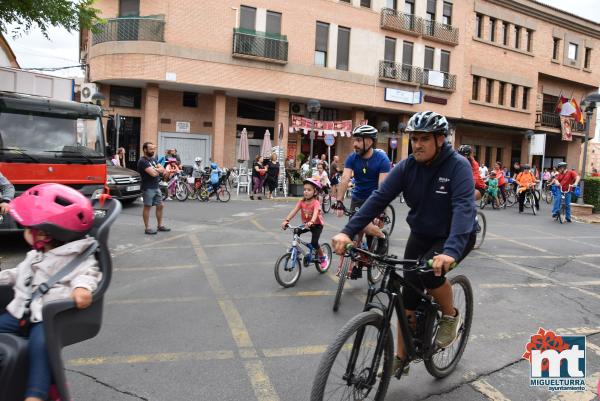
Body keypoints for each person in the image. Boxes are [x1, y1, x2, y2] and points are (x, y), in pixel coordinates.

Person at [332, 111, 476, 377]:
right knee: (406, 294)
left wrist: (451, 252)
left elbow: (464, 209)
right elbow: (378, 198)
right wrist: (348, 231)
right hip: (422, 233)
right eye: (414, 139)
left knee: (429, 274)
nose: (417, 144)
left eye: (424, 139)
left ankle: (450, 315)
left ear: (440, 140)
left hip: (455, 235)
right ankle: (402, 356)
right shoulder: (407, 166)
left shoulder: (458, 166)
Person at [0, 183, 101, 401]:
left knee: (41, 348)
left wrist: (82, 288)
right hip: (20, 312)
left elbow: (88, 273)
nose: (24, 231)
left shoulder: (75, 255)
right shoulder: (37, 254)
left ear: (44, 234)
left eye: (28, 228)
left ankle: (35, 395)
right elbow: (18, 274)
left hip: (45, 318)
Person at [334, 124, 390, 277]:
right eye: (354, 140)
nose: (354, 144)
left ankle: (382, 237)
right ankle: (357, 263)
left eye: (358, 140)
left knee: (368, 229)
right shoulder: (352, 157)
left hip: (374, 199)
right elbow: (345, 178)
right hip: (358, 198)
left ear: (369, 141)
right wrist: (339, 201)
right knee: (354, 229)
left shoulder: (382, 159)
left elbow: (383, 188)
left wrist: (381, 212)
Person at [281, 178, 328, 269]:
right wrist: (286, 220)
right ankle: (296, 249)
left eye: (309, 190)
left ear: (315, 192)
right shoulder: (302, 202)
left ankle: (322, 257)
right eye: (305, 189)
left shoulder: (316, 203)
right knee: (296, 231)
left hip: (317, 225)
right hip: (307, 224)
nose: (306, 192)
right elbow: (294, 211)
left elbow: (315, 214)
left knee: (314, 242)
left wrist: (312, 221)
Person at [137, 142, 170, 235]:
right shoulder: (142, 161)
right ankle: (147, 228)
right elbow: (153, 173)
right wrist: (159, 170)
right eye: (151, 149)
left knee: (160, 206)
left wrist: (159, 170)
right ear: (145, 150)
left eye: (153, 149)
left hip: (156, 186)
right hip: (147, 187)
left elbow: (161, 169)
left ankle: (159, 226)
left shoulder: (153, 159)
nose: (153, 151)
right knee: (147, 207)